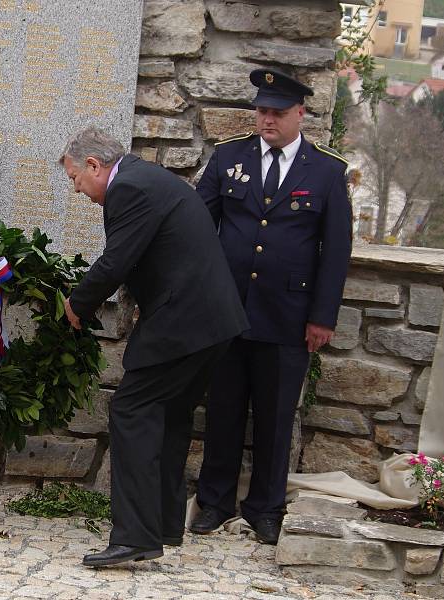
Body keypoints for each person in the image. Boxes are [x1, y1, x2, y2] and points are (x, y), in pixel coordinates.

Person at [60, 127, 248, 567]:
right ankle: (164, 523)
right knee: (169, 415)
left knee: (132, 411)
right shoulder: (147, 178)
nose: (76, 189)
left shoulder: (127, 188)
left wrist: (79, 302)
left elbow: (117, 259)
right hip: (212, 322)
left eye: (75, 179)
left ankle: (135, 536)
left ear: (93, 165)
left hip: (184, 322)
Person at [191, 68, 353, 544]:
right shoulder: (229, 157)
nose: (267, 120)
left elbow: (336, 250)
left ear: (300, 114)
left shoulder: (326, 170)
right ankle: (214, 502)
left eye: (277, 113)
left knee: (276, 416)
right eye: (262, 111)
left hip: (287, 316)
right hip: (229, 310)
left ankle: (265, 507)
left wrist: (322, 317)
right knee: (222, 412)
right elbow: (199, 227)